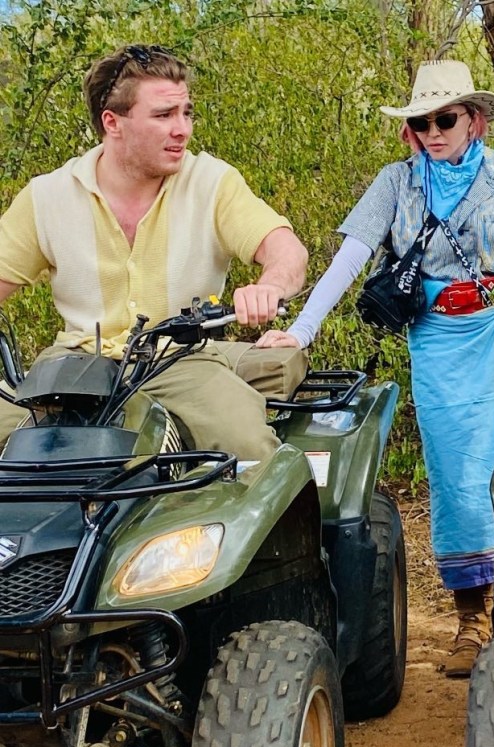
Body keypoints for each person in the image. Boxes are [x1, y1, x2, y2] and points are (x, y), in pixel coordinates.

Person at [256, 59, 494, 677]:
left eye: (445, 119)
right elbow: (350, 258)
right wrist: (301, 329)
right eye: (422, 122)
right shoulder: (397, 184)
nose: (434, 131)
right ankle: (472, 618)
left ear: (474, 119)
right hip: (440, 341)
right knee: (457, 474)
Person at [0, 45, 309, 461]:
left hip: (179, 361)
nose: (182, 129)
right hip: (75, 364)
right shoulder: (48, 196)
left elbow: (287, 251)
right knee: (21, 450)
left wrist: (269, 286)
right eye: (164, 115)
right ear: (113, 122)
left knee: (247, 446)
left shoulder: (211, 182)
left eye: (186, 113)